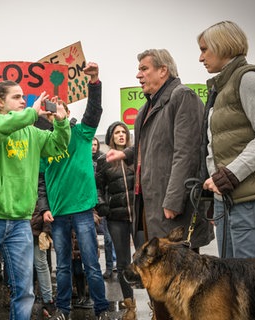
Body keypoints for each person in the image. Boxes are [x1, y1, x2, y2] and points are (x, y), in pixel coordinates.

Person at [106, 49, 214, 320]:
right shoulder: (147, 107)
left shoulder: (182, 97)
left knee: (179, 281)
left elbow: (186, 152)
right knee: (156, 277)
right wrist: (125, 154)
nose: (138, 74)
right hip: (147, 205)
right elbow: (151, 148)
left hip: (169, 205)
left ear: (163, 70)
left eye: (144, 68)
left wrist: (174, 200)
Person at [0, 80, 70, 320]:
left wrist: (61, 122)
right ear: (0, 102)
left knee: (24, 291)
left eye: (24, 97)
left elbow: (58, 145)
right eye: (16, 97)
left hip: (20, 222)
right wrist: (30, 115)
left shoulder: (32, 132)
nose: (24, 101)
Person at [197, 21, 255, 259]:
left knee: (253, 281)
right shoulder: (222, 87)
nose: (200, 57)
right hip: (227, 195)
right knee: (231, 279)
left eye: (205, 49)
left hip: (249, 197)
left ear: (223, 47)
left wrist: (228, 174)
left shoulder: (248, 79)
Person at [38, 62, 111, 320]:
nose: (56, 112)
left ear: (68, 112)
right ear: (47, 117)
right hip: (58, 212)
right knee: (63, 267)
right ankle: (63, 310)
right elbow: (40, 180)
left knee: (92, 265)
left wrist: (94, 82)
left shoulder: (81, 133)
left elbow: (94, 110)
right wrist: (44, 208)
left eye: (61, 108)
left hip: (81, 210)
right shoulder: (45, 142)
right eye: (51, 110)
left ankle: (101, 309)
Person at [95, 121, 136, 319]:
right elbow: (98, 188)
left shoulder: (135, 156)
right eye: (117, 132)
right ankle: (130, 305)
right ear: (111, 136)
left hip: (138, 217)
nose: (121, 135)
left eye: (124, 132)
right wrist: (103, 206)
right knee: (122, 264)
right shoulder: (104, 160)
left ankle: (156, 305)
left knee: (149, 261)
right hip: (116, 218)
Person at [92, 136, 116, 280]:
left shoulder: (103, 159)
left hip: (107, 204)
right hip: (95, 205)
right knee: (101, 239)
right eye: (92, 144)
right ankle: (108, 266)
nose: (93, 147)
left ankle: (113, 265)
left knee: (110, 239)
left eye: (95, 144)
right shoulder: (86, 160)